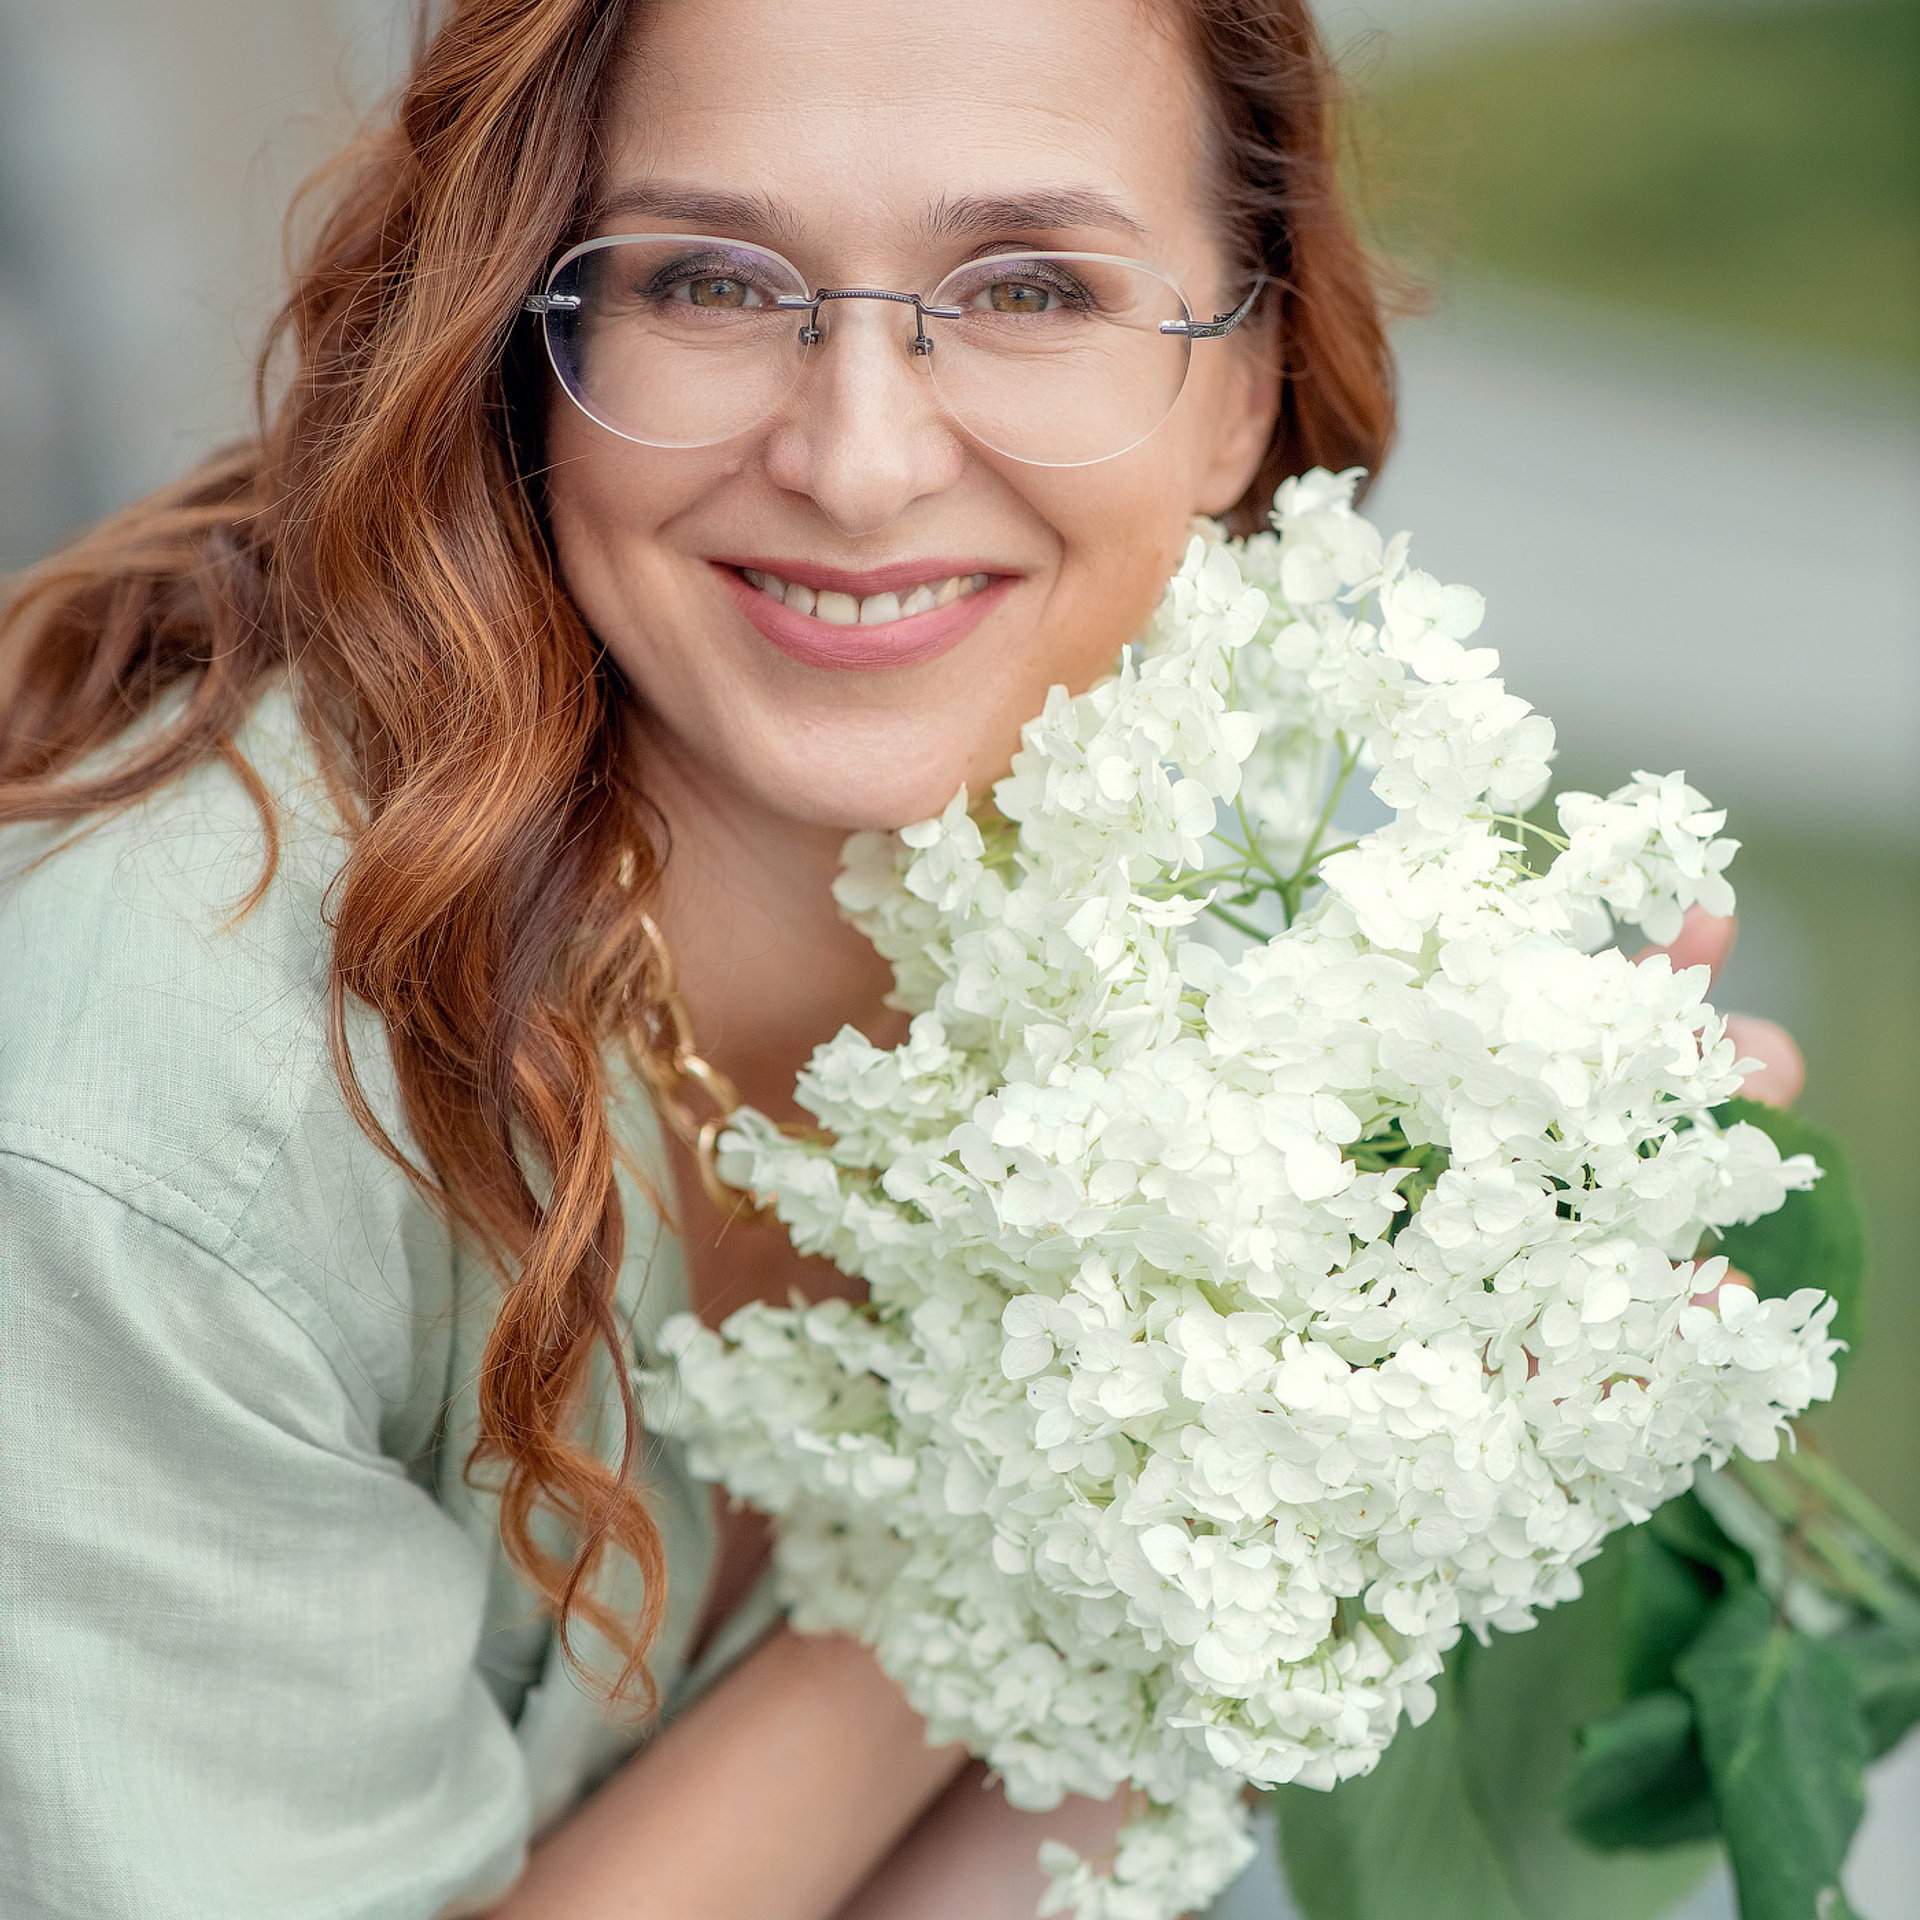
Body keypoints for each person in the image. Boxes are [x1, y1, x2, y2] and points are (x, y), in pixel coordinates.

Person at [0, 0, 1803, 1914]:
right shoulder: (161, 1125)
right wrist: (1112, 1485)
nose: (859, 461)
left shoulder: (1216, 900)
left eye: (1029, 287)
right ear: (537, 348)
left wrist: (1337, 1440)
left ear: (1243, 383)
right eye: (710, 280)